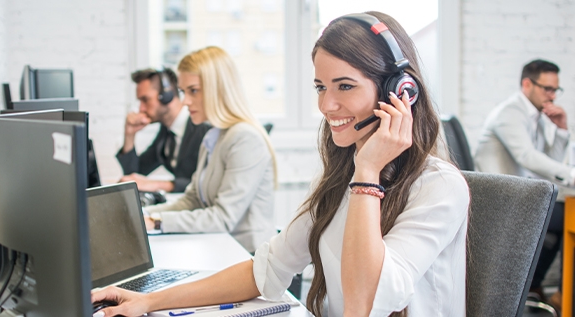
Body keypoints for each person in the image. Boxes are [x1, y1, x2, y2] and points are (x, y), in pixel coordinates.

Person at [92, 12, 469, 317]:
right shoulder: (340, 175)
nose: (326, 106)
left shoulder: (439, 188)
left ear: (399, 91)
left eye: (345, 86)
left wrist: (368, 175)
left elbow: (363, 306)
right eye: (321, 87)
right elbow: (268, 268)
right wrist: (148, 300)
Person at [142, 46, 278, 254]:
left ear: (218, 89)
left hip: (250, 258)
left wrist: (156, 221)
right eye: (183, 92)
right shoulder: (213, 136)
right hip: (222, 250)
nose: (186, 101)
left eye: (193, 91)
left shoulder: (245, 138)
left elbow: (222, 218)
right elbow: (193, 199)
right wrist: (142, 214)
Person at [474, 59, 570, 310]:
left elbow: (549, 163)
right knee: (566, 214)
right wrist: (572, 174)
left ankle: (534, 288)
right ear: (527, 84)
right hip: (501, 201)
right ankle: (557, 294)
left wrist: (560, 130)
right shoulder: (510, 113)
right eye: (546, 89)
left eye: (555, 90)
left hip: (518, 196)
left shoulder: (535, 116)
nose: (552, 96)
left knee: (560, 220)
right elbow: (528, 158)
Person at [116, 68, 211, 192]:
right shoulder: (166, 133)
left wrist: (159, 185)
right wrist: (129, 135)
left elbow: (208, 184)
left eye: (145, 100)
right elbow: (134, 175)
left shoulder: (204, 128)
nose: (141, 108)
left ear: (167, 95)